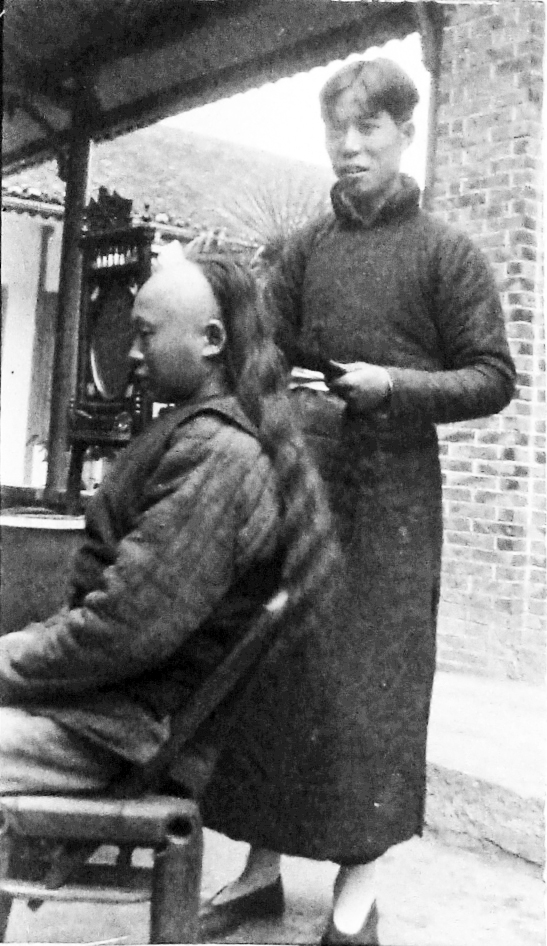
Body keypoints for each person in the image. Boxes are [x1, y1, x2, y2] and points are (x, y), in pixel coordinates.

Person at [199, 58, 516, 945]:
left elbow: (492, 377)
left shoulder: (445, 253)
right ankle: (259, 874)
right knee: (274, 672)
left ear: (404, 133)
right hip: (305, 486)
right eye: (336, 129)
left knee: (371, 693)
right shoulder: (306, 249)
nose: (348, 146)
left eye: (367, 128)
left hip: (394, 503)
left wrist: (395, 386)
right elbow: (263, 352)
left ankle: (354, 898)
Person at [0, 253, 342, 820]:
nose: (132, 354)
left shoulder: (221, 454)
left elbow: (125, 629)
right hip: (95, 711)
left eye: (146, 334)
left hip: (111, 733)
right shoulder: (203, 432)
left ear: (211, 340)